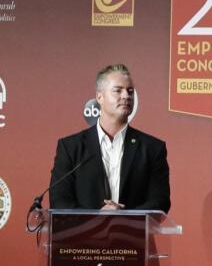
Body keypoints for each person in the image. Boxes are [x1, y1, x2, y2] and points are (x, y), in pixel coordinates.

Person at [50, 64, 171, 212]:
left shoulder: (152, 149)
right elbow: (59, 200)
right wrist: (97, 217)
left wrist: (124, 216)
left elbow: (160, 201)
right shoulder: (70, 147)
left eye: (130, 91)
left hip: (133, 234)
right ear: (99, 97)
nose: (126, 96)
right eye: (118, 90)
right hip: (84, 234)